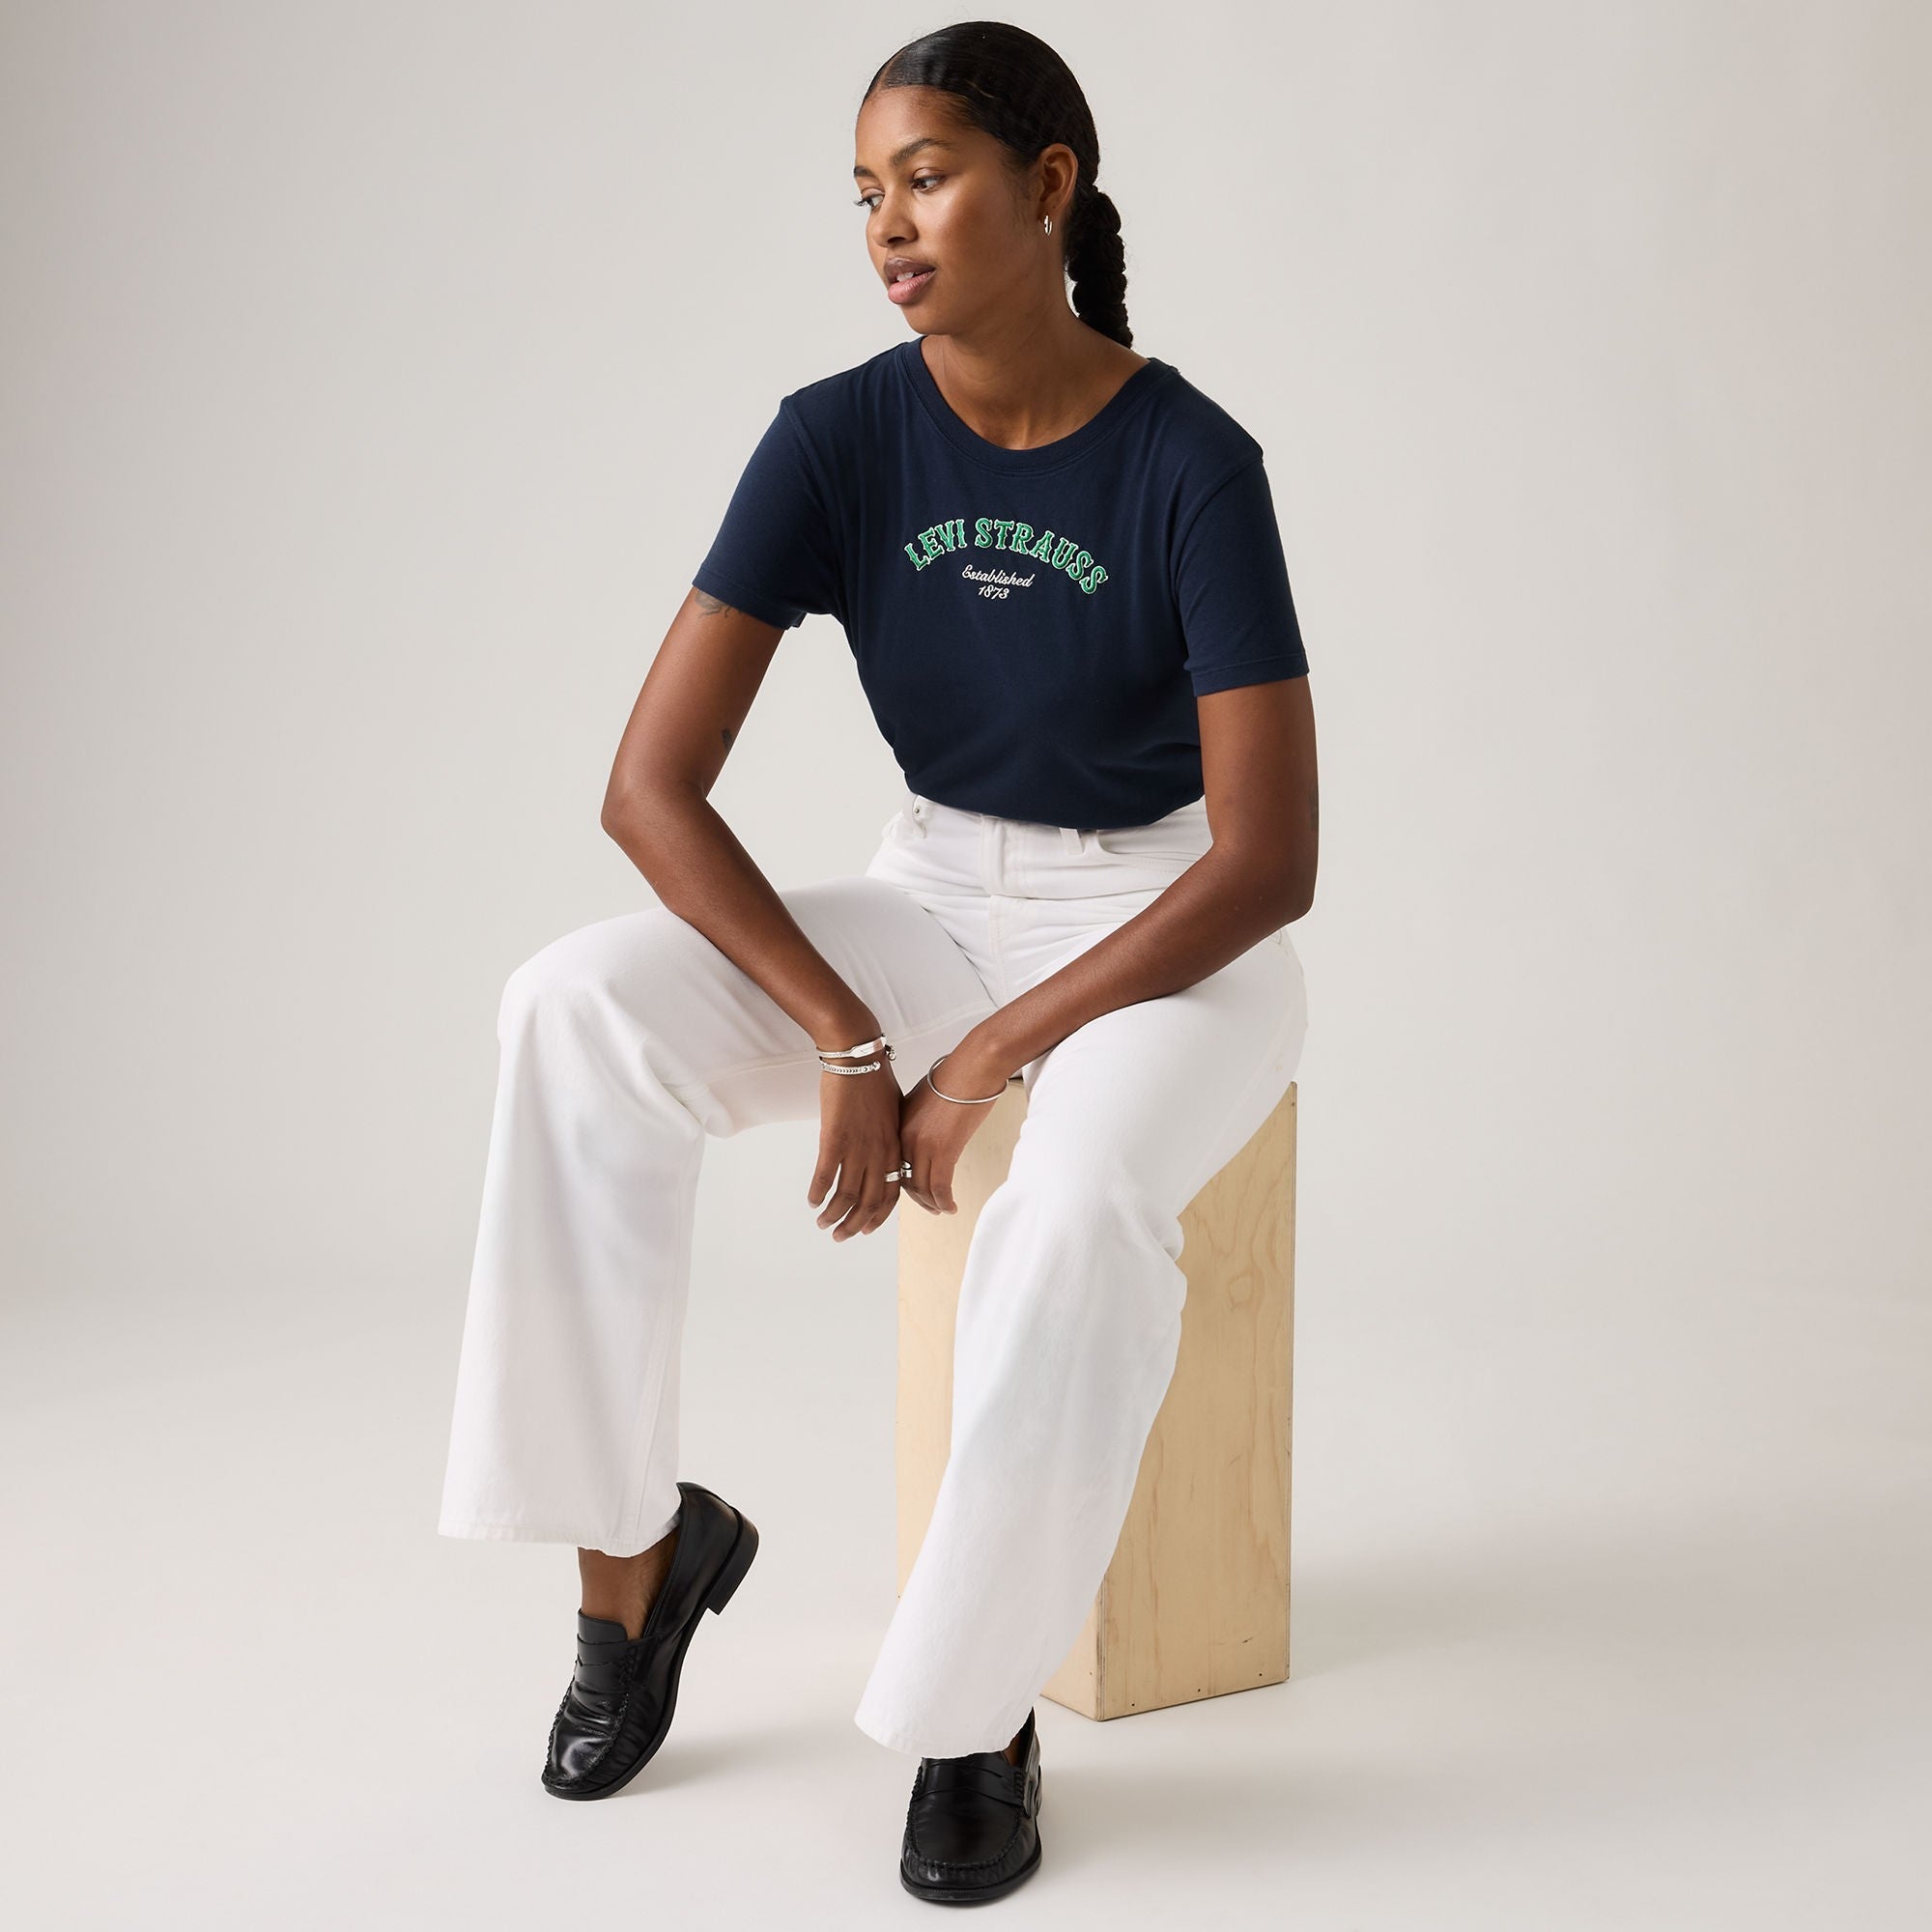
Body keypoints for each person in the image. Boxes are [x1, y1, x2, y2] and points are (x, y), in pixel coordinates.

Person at [436, 19, 1319, 1908]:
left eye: (925, 179)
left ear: (1048, 189)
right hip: (932, 894)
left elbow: (1268, 860)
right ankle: (633, 1564)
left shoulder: (1189, 459)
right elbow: (648, 788)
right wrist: (850, 1032)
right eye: (864, 193)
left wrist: (987, 1052)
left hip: (1169, 931)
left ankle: (970, 1712)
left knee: (1072, 1202)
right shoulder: (837, 438)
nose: (887, 226)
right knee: (571, 1009)